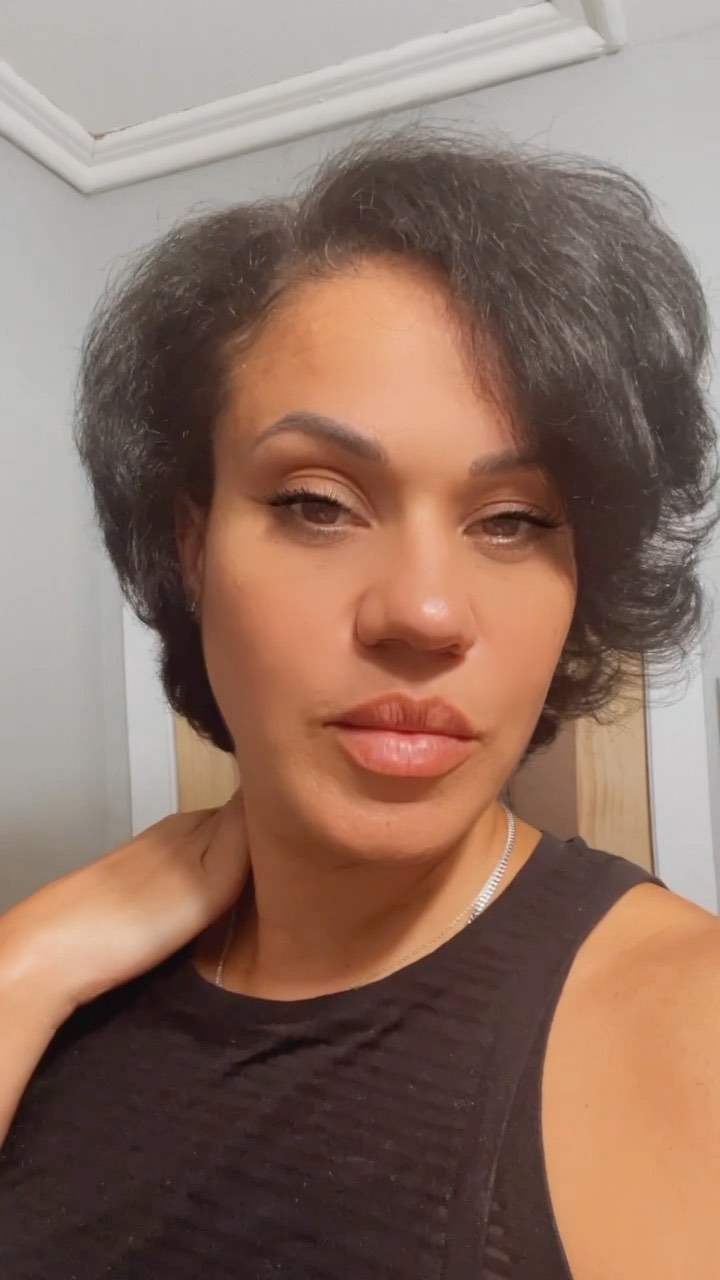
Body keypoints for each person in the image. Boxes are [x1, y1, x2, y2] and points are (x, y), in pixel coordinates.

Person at [1, 129, 719, 1279]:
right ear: (192, 545)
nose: (425, 611)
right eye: (318, 502)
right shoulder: (56, 998)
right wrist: (26, 963)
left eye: (514, 519)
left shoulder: (690, 1023)